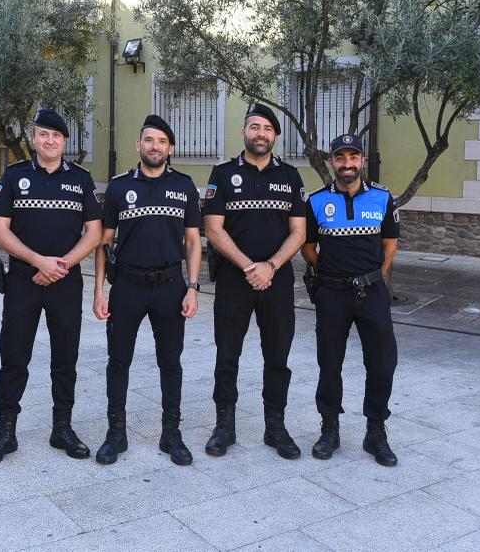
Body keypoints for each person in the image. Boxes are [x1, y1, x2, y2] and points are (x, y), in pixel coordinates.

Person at [0, 109, 102, 465]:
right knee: (14, 357)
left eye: (56, 136)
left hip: (66, 280)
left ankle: (62, 428)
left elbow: (93, 233)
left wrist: (59, 265)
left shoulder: (81, 179)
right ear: (35, 138)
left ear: (65, 141)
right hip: (23, 282)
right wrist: (39, 262)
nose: (50, 141)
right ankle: (6, 432)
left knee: (66, 359)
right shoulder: (15, 176)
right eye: (43, 134)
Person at [93, 115, 202, 466]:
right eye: (149, 140)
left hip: (171, 286)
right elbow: (104, 242)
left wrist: (193, 287)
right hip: (127, 286)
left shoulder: (185, 186)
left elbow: (193, 242)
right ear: (138, 145)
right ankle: (116, 434)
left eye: (161, 141)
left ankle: (171, 434)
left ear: (170, 148)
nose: (155, 146)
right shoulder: (118, 187)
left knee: (170, 362)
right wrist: (98, 291)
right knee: (118, 362)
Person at [203, 104, 307, 460]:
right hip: (235, 280)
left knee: (278, 356)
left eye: (267, 128)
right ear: (244, 132)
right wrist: (251, 266)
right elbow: (213, 229)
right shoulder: (222, 173)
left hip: (277, 281)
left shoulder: (291, 176)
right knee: (227, 354)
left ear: (275, 136)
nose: (260, 133)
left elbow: (299, 231)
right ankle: (224, 427)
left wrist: (271, 266)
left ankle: (275, 427)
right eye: (254, 127)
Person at [302, 133, 400, 467]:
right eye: (340, 158)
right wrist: (329, 271)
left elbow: (390, 244)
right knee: (329, 363)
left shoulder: (383, 197)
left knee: (383, 361)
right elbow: (308, 247)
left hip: (371, 292)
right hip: (331, 293)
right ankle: (330, 428)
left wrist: (375, 274)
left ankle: (376, 431)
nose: (347, 164)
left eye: (353, 157)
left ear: (362, 161)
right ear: (332, 162)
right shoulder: (316, 201)